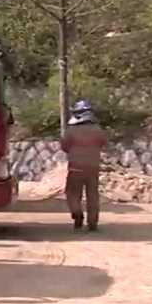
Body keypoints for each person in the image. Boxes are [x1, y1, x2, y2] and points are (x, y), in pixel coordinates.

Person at [61, 99, 108, 232]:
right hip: (93, 167)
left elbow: (64, 146)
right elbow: (103, 143)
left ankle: (77, 214)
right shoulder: (97, 129)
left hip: (75, 166)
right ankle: (93, 223)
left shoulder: (71, 131)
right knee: (92, 195)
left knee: (72, 193)